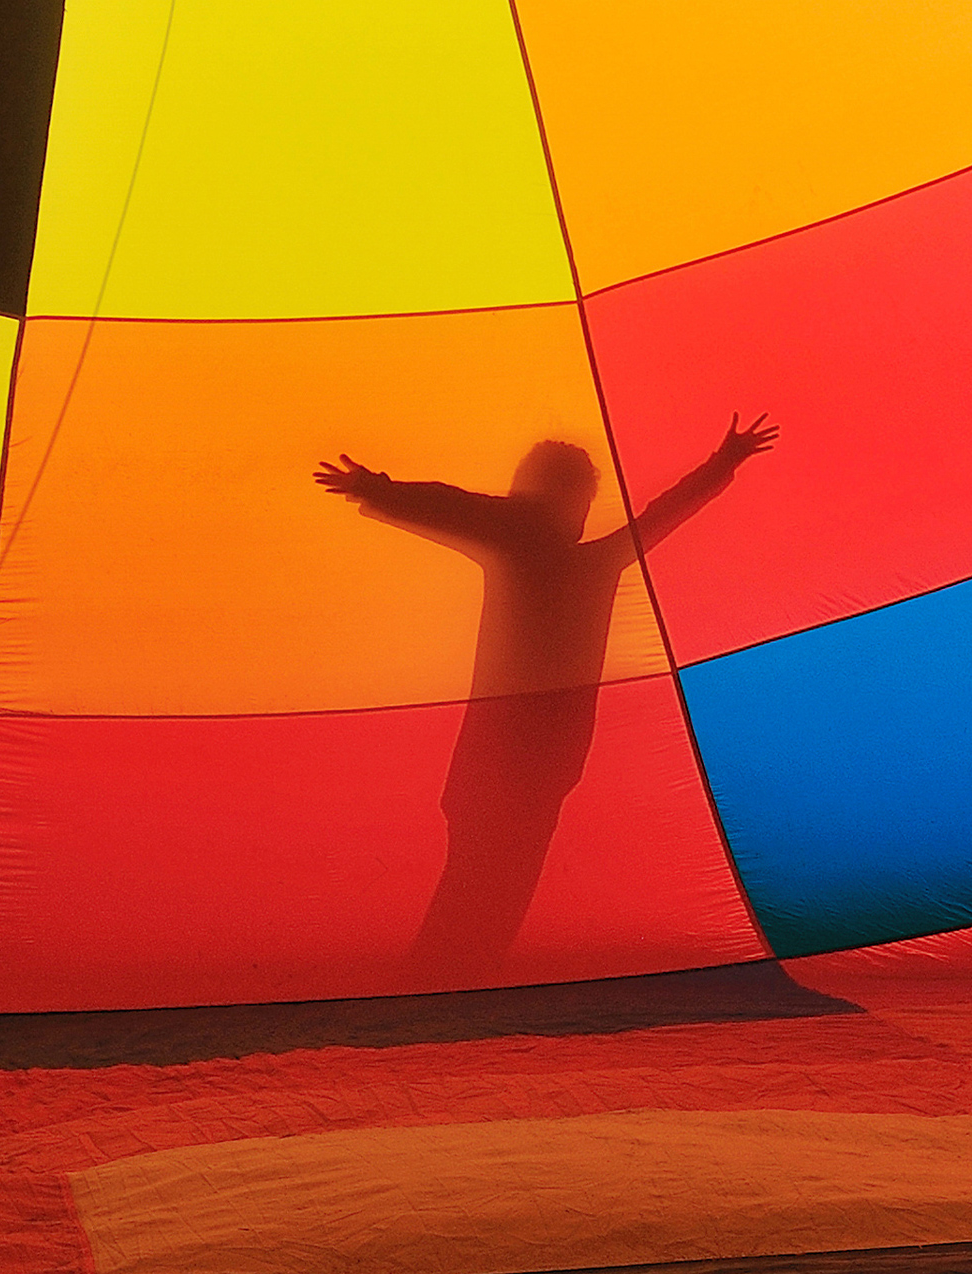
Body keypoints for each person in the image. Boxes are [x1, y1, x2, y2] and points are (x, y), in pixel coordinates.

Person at [315, 416, 775, 973]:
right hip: (539, 756)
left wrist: (377, 489)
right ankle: (452, 968)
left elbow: (454, 507)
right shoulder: (579, 561)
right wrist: (722, 463)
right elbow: (658, 517)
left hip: (506, 755)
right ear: (566, 504)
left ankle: (448, 968)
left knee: (482, 868)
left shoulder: (536, 552)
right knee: (501, 872)